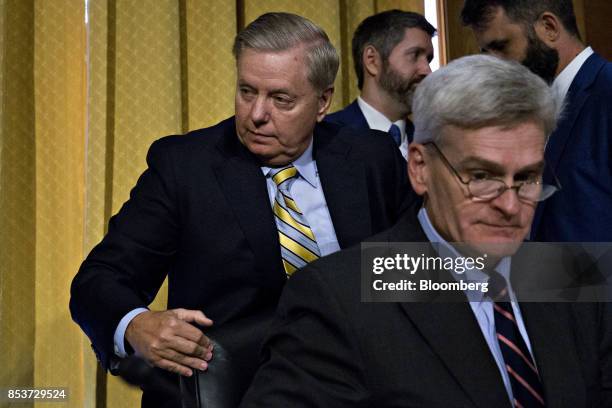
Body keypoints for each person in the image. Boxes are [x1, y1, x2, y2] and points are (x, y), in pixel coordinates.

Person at [70, 12, 410, 407]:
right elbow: (99, 280)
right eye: (247, 91)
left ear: (323, 102)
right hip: (232, 392)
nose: (257, 114)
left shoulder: (372, 158)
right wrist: (135, 324)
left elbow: (426, 267)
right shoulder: (186, 167)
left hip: (361, 388)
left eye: (281, 99)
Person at [240, 55, 612, 407]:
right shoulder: (341, 297)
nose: (510, 206)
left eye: (528, 178)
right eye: (481, 177)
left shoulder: (569, 273)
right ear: (419, 168)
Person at [461, 0, 612, 242]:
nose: (493, 65)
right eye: (486, 53)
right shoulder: (520, 112)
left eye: (501, 46)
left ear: (549, 28)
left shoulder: (607, 92)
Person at [325, 10, 435, 160]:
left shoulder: (435, 145)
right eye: (415, 55)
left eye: (428, 59)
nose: (427, 71)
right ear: (372, 61)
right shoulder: (324, 139)